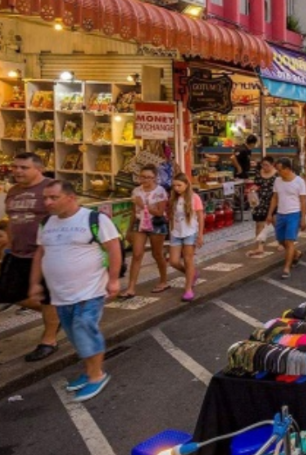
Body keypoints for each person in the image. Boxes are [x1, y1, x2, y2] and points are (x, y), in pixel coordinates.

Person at [30, 180, 121, 401]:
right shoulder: (47, 223)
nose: (48, 202)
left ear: (71, 198)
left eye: (53, 197)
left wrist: (114, 279)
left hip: (89, 291)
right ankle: (90, 370)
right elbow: (40, 254)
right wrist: (35, 282)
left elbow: (114, 248)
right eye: (45, 198)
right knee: (74, 335)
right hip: (61, 294)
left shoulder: (94, 219)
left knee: (84, 329)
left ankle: (97, 375)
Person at [0, 153, 60, 361]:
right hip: (17, 253)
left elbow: (67, 215)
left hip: (45, 254)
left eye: (24, 167)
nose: (17, 171)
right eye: (15, 167)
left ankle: (49, 340)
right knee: (8, 293)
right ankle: (58, 314)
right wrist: (7, 239)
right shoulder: (14, 191)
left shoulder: (52, 188)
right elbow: (12, 219)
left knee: (46, 297)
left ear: (39, 169)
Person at [125, 165, 169, 296]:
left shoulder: (160, 191)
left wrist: (142, 205)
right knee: (137, 254)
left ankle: (163, 280)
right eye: (142, 177)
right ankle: (131, 287)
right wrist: (129, 229)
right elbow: (133, 212)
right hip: (140, 224)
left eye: (148, 177)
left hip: (156, 223)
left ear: (155, 178)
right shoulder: (136, 191)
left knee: (157, 254)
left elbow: (160, 212)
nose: (145, 180)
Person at [167, 173, 204, 302]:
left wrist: (200, 235)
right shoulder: (173, 199)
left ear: (186, 185)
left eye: (179, 185)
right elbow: (171, 216)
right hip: (176, 233)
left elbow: (200, 216)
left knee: (188, 260)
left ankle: (188, 289)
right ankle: (192, 274)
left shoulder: (195, 198)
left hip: (190, 232)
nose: (176, 188)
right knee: (173, 261)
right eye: (174, 186)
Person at [268, 158, 306, 279]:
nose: (278, 172)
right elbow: (275, 198)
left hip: (294, 214)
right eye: (277, 170)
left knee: (289, 241)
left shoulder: (299, 182)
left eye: (280, 170)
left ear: (288, 169)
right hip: (280, 214)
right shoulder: (277, 181)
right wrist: (270, 214)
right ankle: (297, 253)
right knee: (281, 240)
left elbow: (303, 200)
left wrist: (303, 218)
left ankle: (286, 268)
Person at [247, 157, 278, 257]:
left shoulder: (277, 175)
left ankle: (281, 241)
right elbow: (257, 184)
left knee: (276, 223)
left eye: (267, 165)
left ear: (272, 164)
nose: (264, 167)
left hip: (273, 201)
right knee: (259, 224)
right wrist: (253, 188)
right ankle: (259, 246)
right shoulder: (259, 173)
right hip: (260, 202)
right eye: (263, 165)